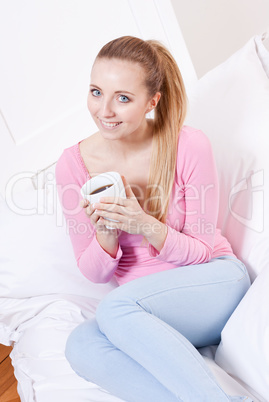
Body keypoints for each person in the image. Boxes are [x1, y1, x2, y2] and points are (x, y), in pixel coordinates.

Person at [56, 36, 252, 401]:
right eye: (96, 92)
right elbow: (94, 272)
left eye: (123, 98)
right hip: (148, 318)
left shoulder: (187, 144)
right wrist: (106, 235)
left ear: (152, 101)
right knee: (81, 344)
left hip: (214, 284)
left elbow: (201, 252)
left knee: (115, 307)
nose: (105, 111)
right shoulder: (73, 164)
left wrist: (142, 222)